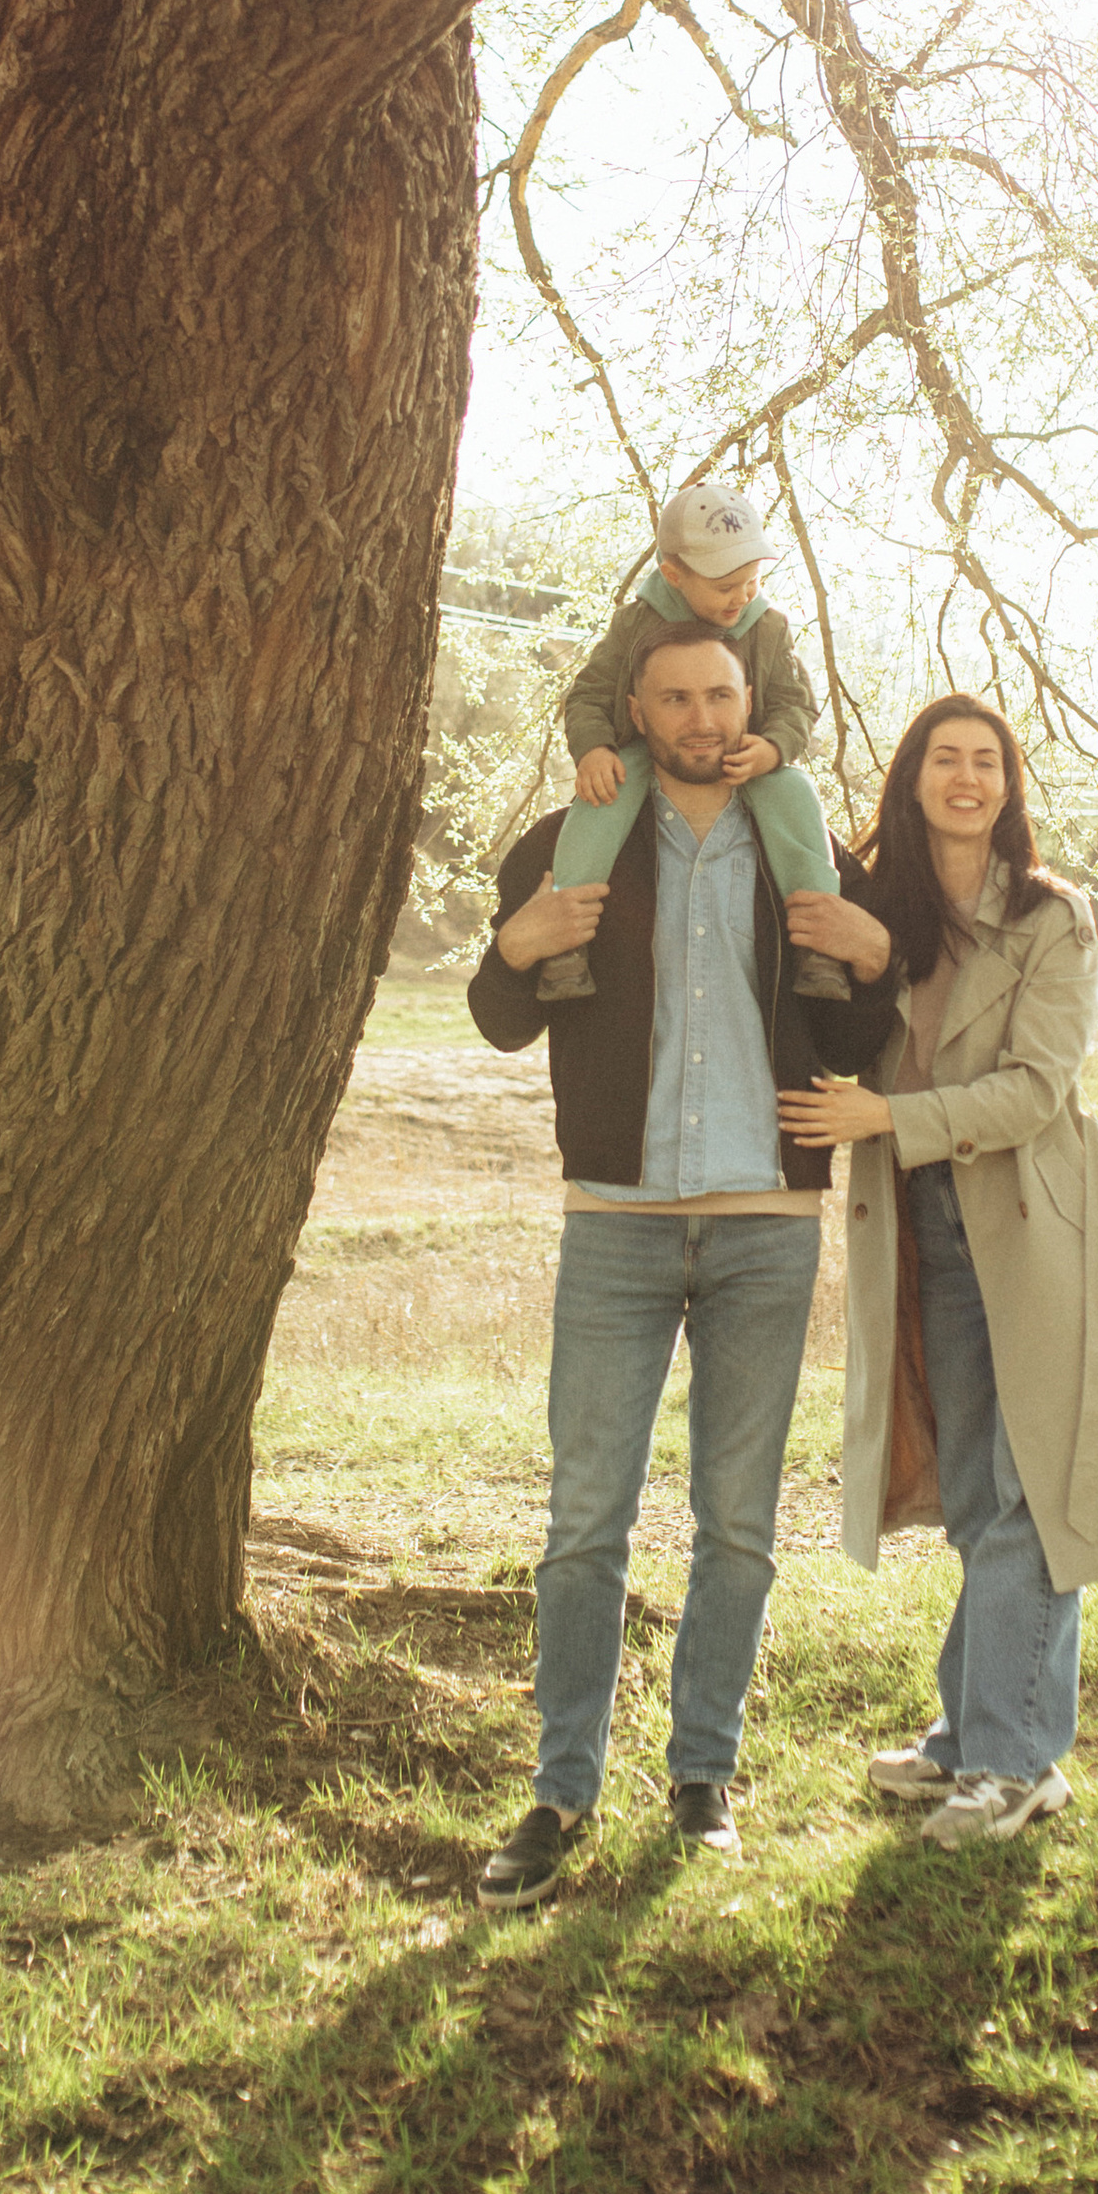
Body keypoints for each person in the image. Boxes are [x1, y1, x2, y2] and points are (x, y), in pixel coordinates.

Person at [468, 618, 899, 1912]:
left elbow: (863, 1031)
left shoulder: (805, 846)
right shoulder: (564, 844)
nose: (705, 716)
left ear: (751, 700)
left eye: (723, 693)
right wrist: (515, 945)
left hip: (768, 1227)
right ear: (635, 713)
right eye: (677, 697)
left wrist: (875, 961)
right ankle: (560, 1793)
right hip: (616, 1223)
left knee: (739, 1526)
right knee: (585, 1524)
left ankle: (703, 1780)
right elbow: (496, 1020)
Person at [778, 694, 1098, 1849]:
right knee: (978, 1485)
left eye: (988, 761)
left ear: (1010, 784)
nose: (967, 778)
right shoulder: (879, 913)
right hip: (920, 1218)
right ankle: (968, 1733)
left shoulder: (1051, 918)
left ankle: (1015, 1758)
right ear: (913, 777)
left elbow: (1039, 1089)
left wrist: (893, 1111)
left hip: (1027, 1220)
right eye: (947, 759)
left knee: (1029, 1483)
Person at [534, 480, 849, 1003]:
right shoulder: (636, 623)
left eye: (751, 579)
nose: (742, 596)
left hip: (749, 756)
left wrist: (773, 748)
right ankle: (566, 944)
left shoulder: (767, 626)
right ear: (674, 576)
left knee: (795, 799)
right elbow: (588, 693)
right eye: (726, 584)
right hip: (648, 755)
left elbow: (796, 702)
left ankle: (819, 946)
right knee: (598, 806)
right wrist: (593, 749)